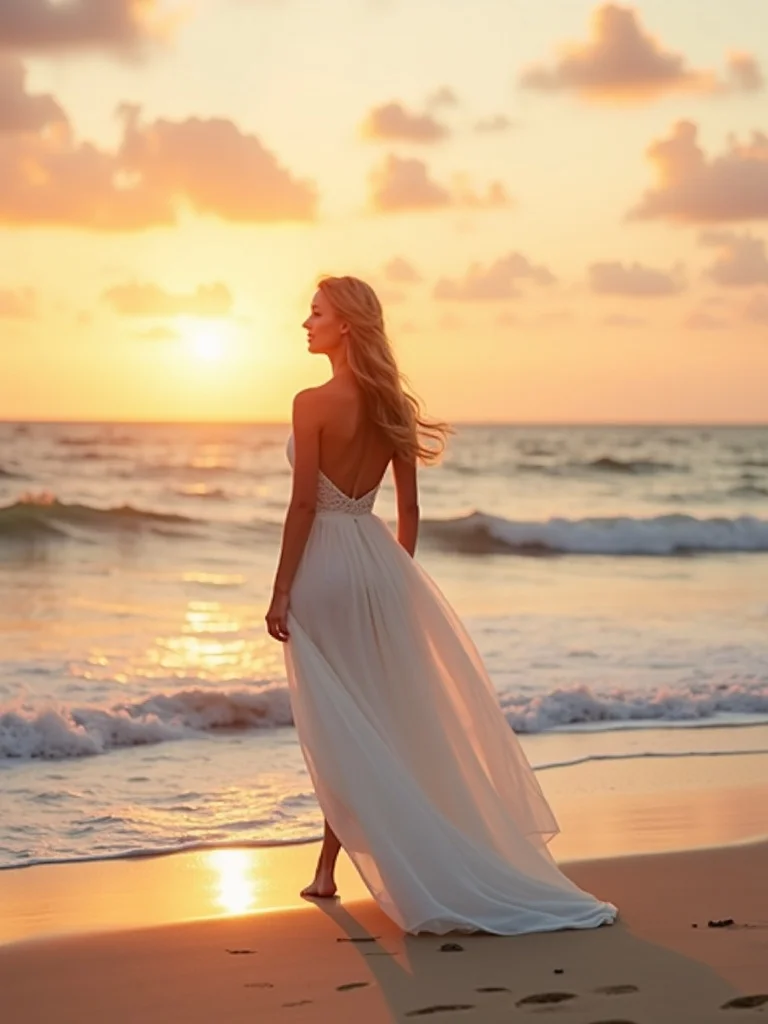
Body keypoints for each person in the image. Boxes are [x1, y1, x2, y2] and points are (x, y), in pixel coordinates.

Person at [265, 275, 617, 936]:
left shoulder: (310, 402)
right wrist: (395, 581)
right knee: (373, 718)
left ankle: (329, 871)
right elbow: (410, 510)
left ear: (345, 325)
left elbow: (305, 505)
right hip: (379, 564)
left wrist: (282, 588)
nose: (304, 323)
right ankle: (325, 868)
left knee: (337, 725)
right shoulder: (391, 403)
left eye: (315, 313)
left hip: (325, 570)